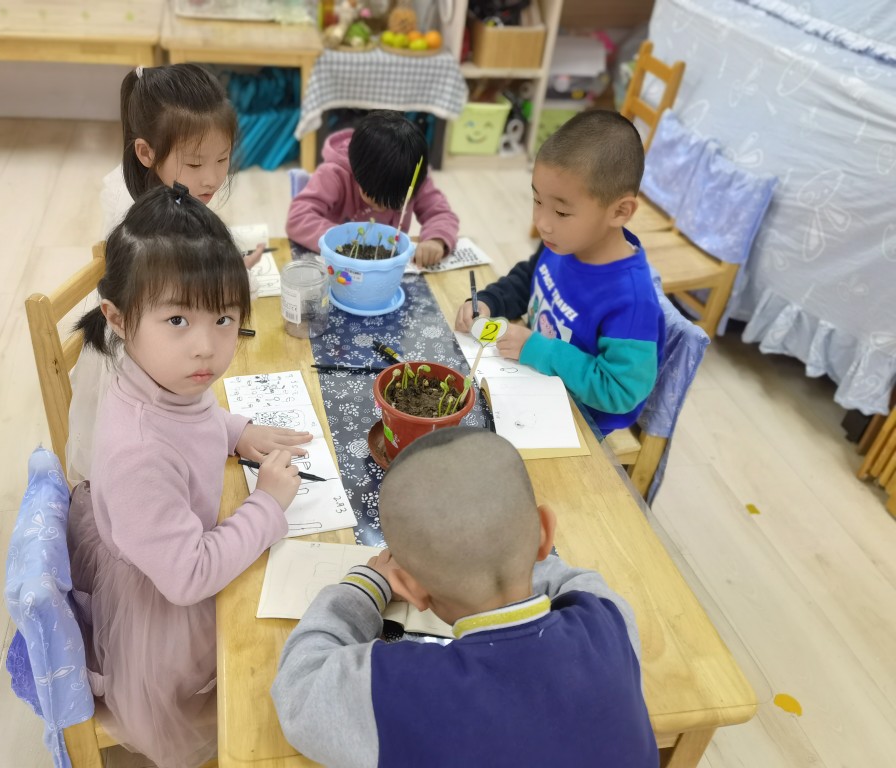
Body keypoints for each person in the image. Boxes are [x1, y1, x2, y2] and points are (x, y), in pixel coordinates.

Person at [68, 185, 312, 768]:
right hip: (167, 606)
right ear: (117, 318)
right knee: (282, 647)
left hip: (163, 545)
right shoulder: (139, 453)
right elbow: (189, 576)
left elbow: (189, 419)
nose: (206, 347)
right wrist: (266, 506)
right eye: (177, 319)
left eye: (224, 318)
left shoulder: (160, 374)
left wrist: (237, 431)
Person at [271, 427, 658, 767]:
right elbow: (580, 582)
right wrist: (512, 551)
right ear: (545, 532)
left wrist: (368, 584)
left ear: (410, 587)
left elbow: (300, 687)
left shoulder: (397, 692)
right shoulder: (610, 624)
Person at [70, 63, 264, 484]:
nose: (211, 178)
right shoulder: (141, 223)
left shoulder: (167, 196)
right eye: (194, 164)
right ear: (146, 153)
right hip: (138, 365)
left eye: (223, 159)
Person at [455, 110, 665, 435]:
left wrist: (540, 350)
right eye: (537, 200)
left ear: (620, 211)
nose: (542, 222)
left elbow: (619, 391)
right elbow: (529, 278)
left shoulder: (631, 302)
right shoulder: (565, 243)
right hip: (529, 378)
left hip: (576, 420)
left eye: (562, 211)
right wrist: (489, 301)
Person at [286, 110, 459, 268]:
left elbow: (441, 214)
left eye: (396, 203)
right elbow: (298, 218)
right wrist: (344, 239)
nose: (382, 208)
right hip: (340, 266)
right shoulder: (335, 174)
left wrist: (436, 240)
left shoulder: (410, 177)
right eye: (375, 199)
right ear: (357, 175)